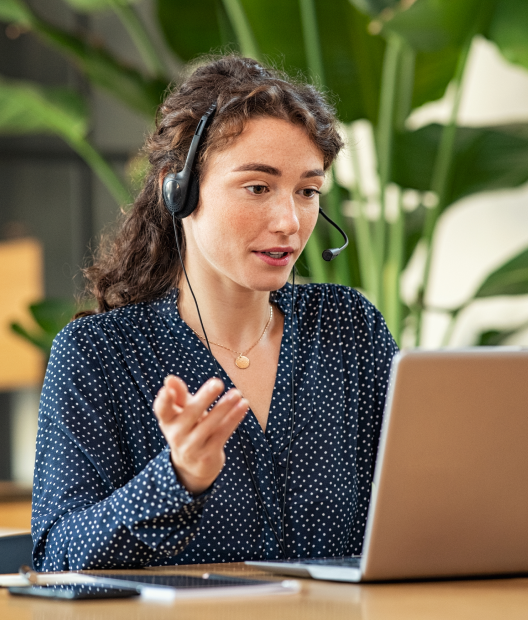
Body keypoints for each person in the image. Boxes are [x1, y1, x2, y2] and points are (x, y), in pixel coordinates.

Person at [31, 55, 398, 571]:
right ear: (177, 189)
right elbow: (57, 556)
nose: (289, 221)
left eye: (308, 191)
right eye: (257, 187)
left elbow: (420, 503)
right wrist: (178, 479)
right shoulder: (99, 355)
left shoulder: (348, 328)